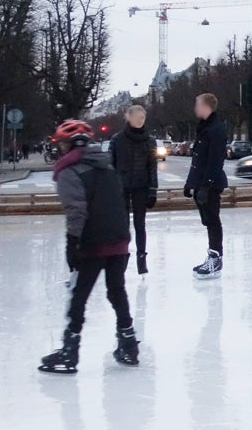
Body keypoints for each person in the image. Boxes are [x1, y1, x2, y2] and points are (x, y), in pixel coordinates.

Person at [40, 120, 138, 373]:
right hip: (119, 238)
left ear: (67, 145)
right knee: (117, 291)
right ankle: (128, 343)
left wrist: (72, 243)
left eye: (60, 143)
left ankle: (69, 351)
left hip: (93, 241)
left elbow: (76, 211)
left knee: (79, 296)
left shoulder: (69, 171)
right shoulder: (106, 165)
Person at [110, 103, 159, 275]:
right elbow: (111, 165)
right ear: (128, 118)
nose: (140, 120)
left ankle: (141, 258)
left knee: (140, 224)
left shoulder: (150, 141)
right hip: (120, 187)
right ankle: (122, 257)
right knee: (122, 225)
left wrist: (153, 190)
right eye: (137, 117)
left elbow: (152, 167)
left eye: (143, 118)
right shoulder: (117, 140)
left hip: (141, 186)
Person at [183, 93, 229, 279]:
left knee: (212, 220)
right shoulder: (205, 128)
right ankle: (213, 255)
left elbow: (215, 161)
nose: (195, 108)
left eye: (197, 104)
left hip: (211, 184)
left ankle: (216, 259)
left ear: (205, 106)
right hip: (202, 182)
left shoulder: (216, 129)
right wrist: (190, 183)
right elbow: (197, 160)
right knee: (208, 220)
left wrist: (206, 186)